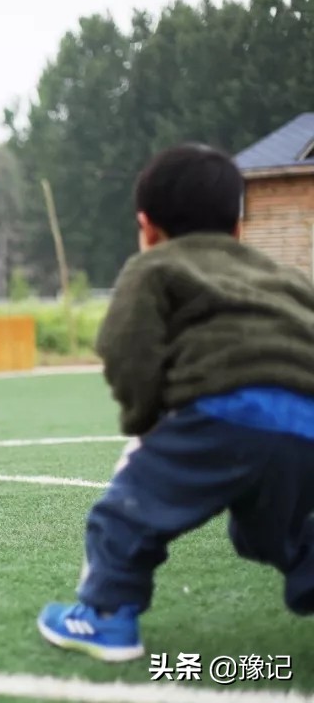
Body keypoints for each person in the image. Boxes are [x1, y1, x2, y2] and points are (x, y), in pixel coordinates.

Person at [37, 143, 314, 661]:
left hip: (225, 413)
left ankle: (105, 618)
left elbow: (127, 347)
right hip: (308, 423)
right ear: (237, 227)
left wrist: (144, 418)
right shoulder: (284, 276)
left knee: (124, 516)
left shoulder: (155, 267)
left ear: (147, 228)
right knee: (273, 533)